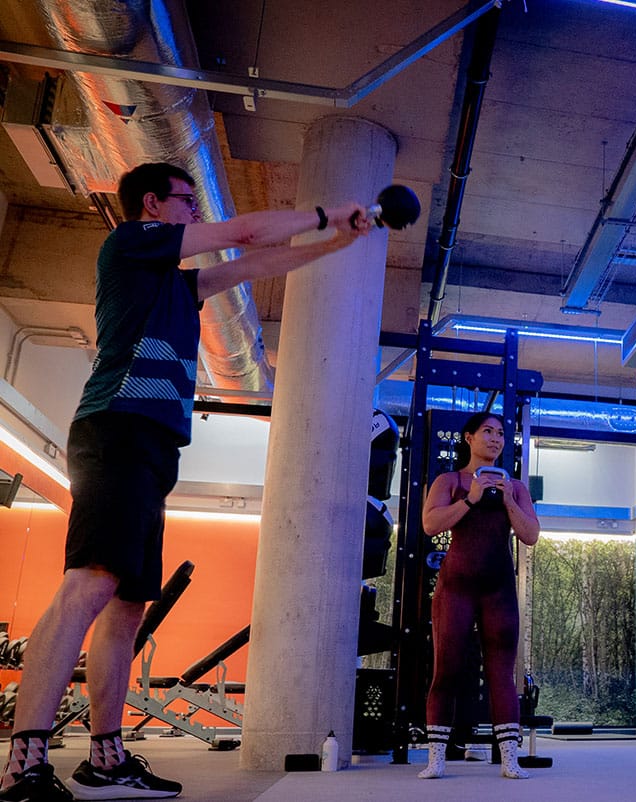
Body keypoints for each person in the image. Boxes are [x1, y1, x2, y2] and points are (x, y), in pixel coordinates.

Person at [0, 162, 371, 802]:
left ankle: (106, 760)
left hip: (151, 448)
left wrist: (339, 244)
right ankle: (24, 764)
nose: (196, 213)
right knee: (89, 584)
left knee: (126, 604)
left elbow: (257, 266)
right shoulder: (130, 243)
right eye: (186, 201)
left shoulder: (175, 286)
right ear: (153, 204)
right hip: (117, 429)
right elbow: (250, 234)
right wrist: (328, 212)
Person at [418, 412, 540, 780]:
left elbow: (531, 535)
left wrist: (508, 503)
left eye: (501, 434)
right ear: (468, 438)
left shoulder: (515, 487)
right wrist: (470, 499)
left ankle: (509, 759)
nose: (495, 439)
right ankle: (435, 758)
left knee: (502, 674)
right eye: (487, 432)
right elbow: (430, 525)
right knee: (447, 670)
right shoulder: (449, 480)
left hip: (498, 587)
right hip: (456, 587)